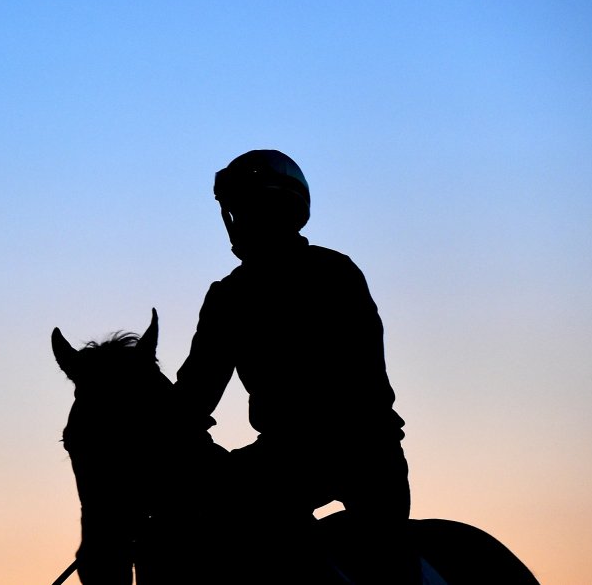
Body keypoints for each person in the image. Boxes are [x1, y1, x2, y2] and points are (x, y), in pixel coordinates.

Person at [173, 149, 415, 582]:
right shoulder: (227, 297)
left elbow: (358, 383)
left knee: (388, 569)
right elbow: (194, 396)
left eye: (248, 209)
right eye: (236, 211)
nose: (239, 221)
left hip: (363, 451)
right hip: (283, 455)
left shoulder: (334, 273)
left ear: (280, 211)